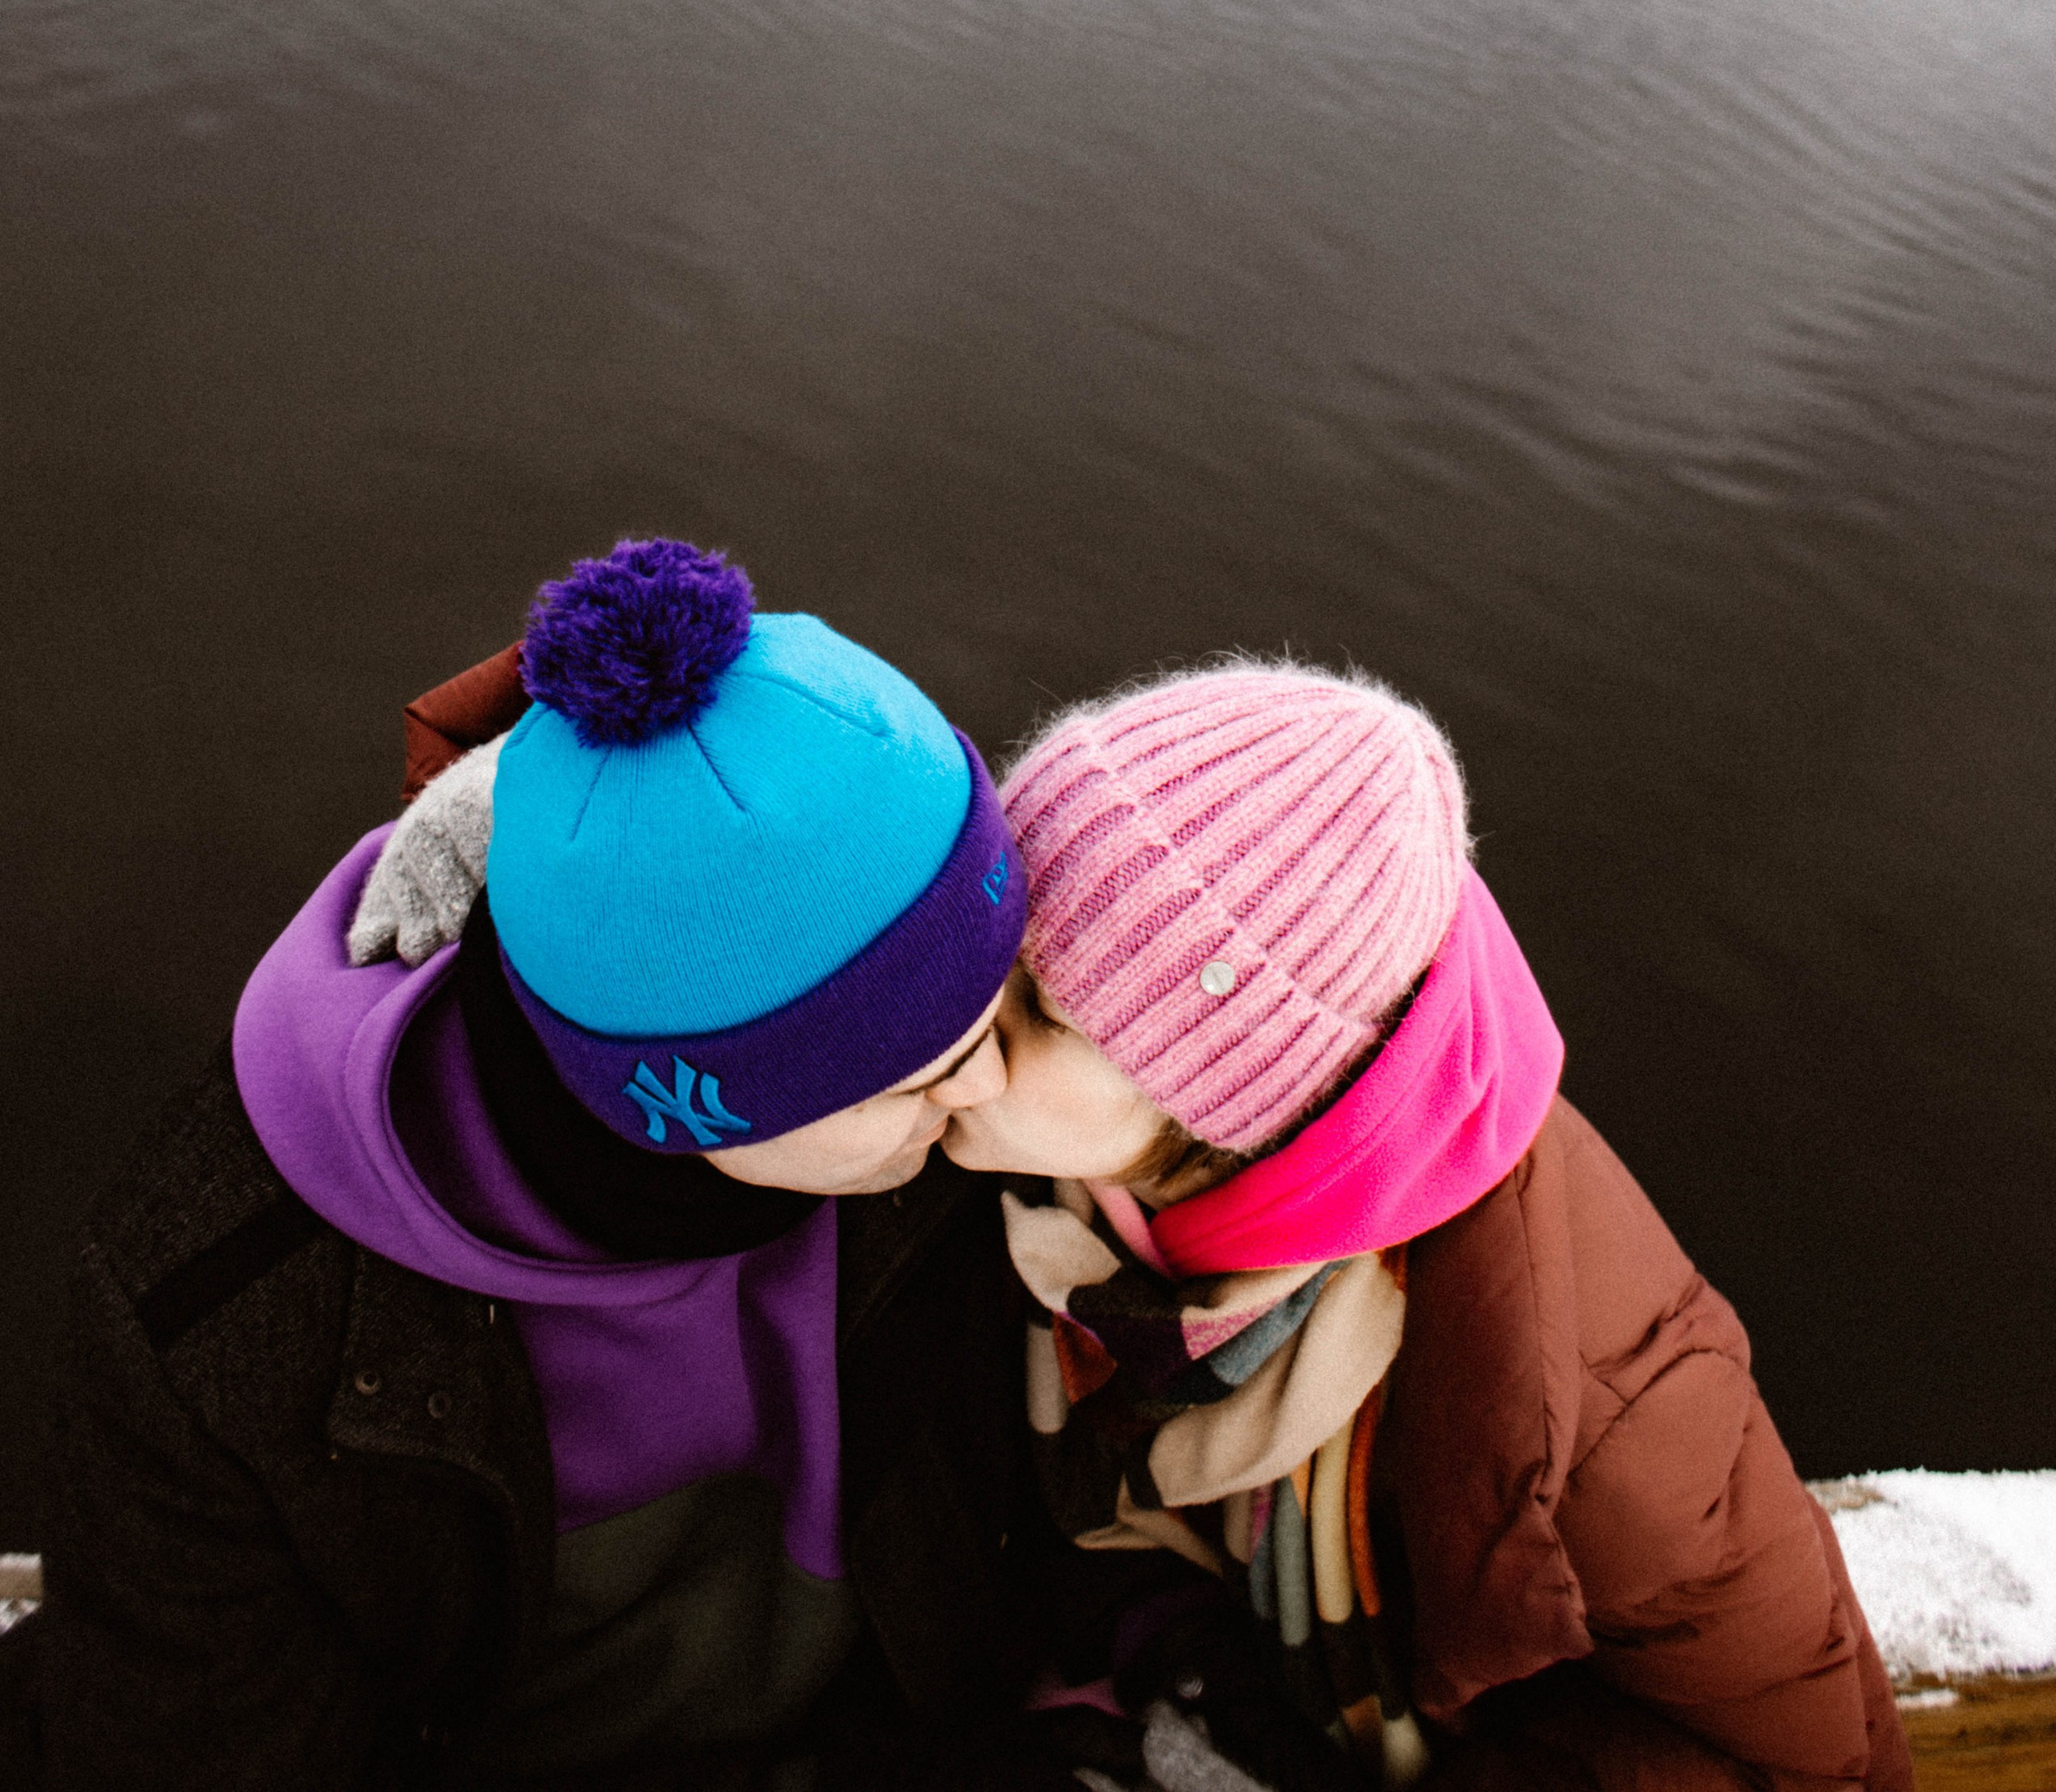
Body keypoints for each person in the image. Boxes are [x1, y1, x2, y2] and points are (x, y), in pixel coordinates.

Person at [2, 539, 1123, 1792]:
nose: (992, 1088)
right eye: (918, 1074)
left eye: (1007, 1009)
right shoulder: (218, 1322)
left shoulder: (936, 1134)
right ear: (685, 1108)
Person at [940, 661, 1915, 1792]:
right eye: (983, 929)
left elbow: (1799, 1768)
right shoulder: (1070, 1192)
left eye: (1042, 1007)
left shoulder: (1602, 1423)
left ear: (1221, 1101)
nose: (959, 1009)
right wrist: (1178, 1653)